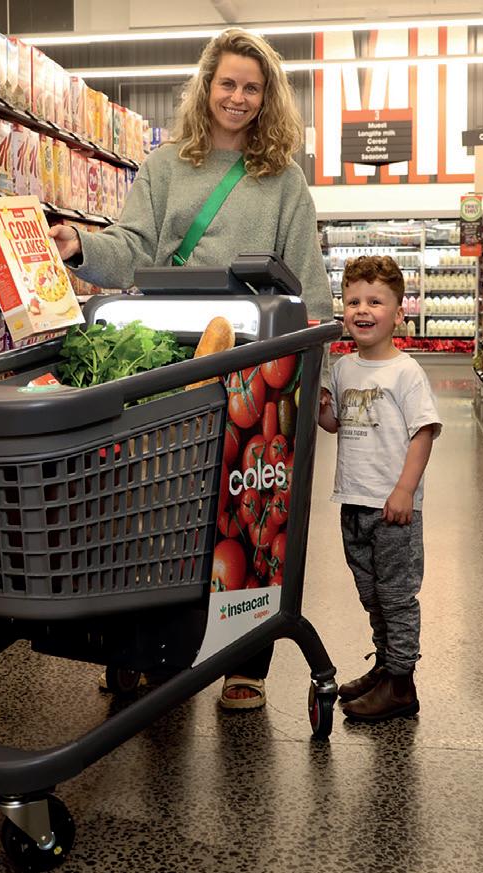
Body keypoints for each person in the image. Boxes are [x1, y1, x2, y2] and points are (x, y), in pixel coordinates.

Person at [50, 28, 330, 710]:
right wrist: (79, 245)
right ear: (206, 87)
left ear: (267, 99)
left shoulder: (284, 180)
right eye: (227, 83)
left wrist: (313, 377)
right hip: (172, 355)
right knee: (159, 505)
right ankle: (151, 649)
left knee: (246, 510)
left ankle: (243, 660)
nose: (238, 97)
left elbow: (311, 284)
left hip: (256, 364)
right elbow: (131, 247)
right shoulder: (166, 166)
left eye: (252, 88)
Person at [316, 255, 440, 722]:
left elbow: (423, 432)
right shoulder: (343, 368)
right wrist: (318, 404)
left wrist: (405, 490)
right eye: (353, 302)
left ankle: (402, 684)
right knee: (371, 594)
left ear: (399, 313)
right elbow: (334, 424)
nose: (362, 310)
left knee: (397, 597)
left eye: (375, 301)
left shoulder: (406, 372)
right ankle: (386, 665)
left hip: (392, 509)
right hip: (353, 501)